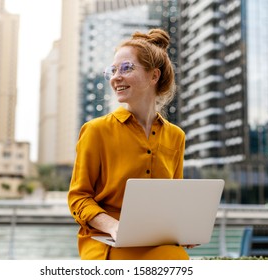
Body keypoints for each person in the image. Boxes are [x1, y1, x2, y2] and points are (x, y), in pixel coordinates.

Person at [68, 28, 193, 260]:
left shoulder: (176, 136)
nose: (116, 77)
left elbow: (173, 200)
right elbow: (78, 198)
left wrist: (183, 229)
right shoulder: (96, 131)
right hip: (106, 240)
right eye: (113, 70)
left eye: (126, 68)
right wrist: (115, 226)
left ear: (153, 76)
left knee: (179, 261)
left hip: (157, 240)